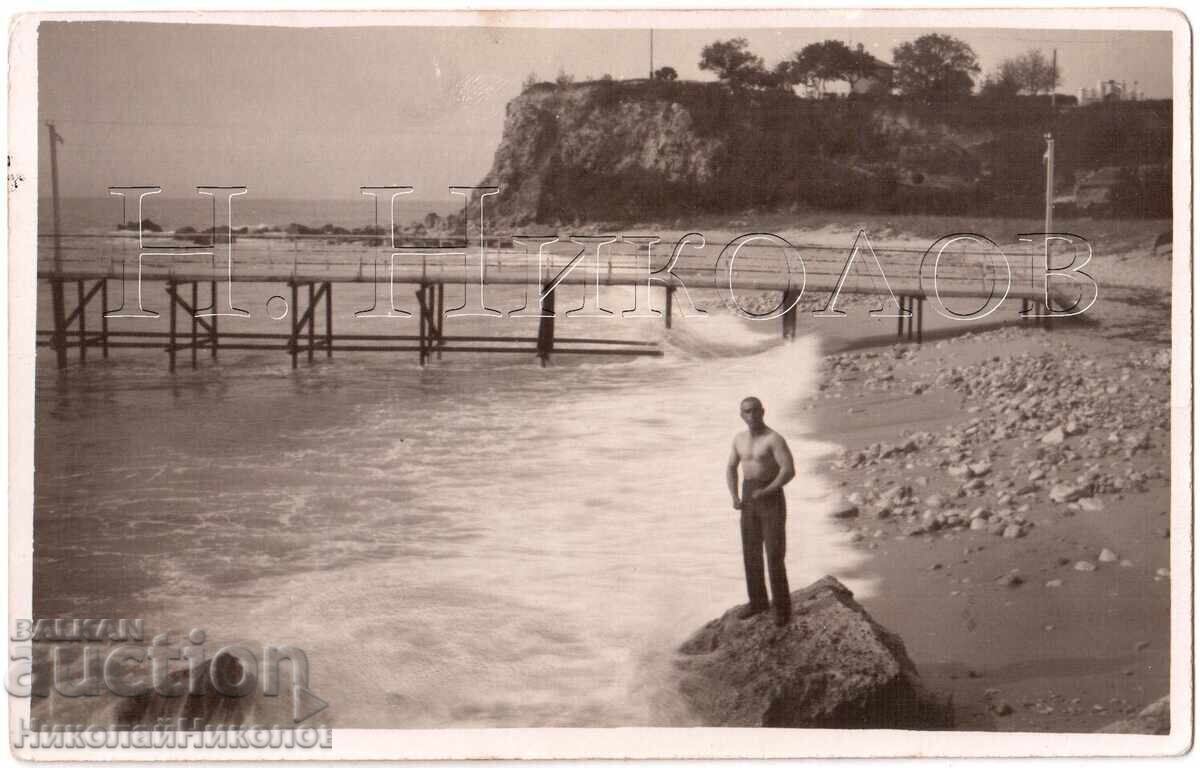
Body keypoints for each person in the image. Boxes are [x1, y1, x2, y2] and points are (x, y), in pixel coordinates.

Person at [726, 396, 796, 626]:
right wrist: (735, 495)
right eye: (747, 411)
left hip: (771, 496)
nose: (752, 415)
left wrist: (767, 490)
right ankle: (757, 602)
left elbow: (788, 471)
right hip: (748, 495)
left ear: (763, 411)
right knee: (751, 551)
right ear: (741, 415)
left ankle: (782, 609)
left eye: (755, 411)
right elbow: (730, 467)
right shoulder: (739, 439)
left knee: (775, 554)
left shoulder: (774, 439)